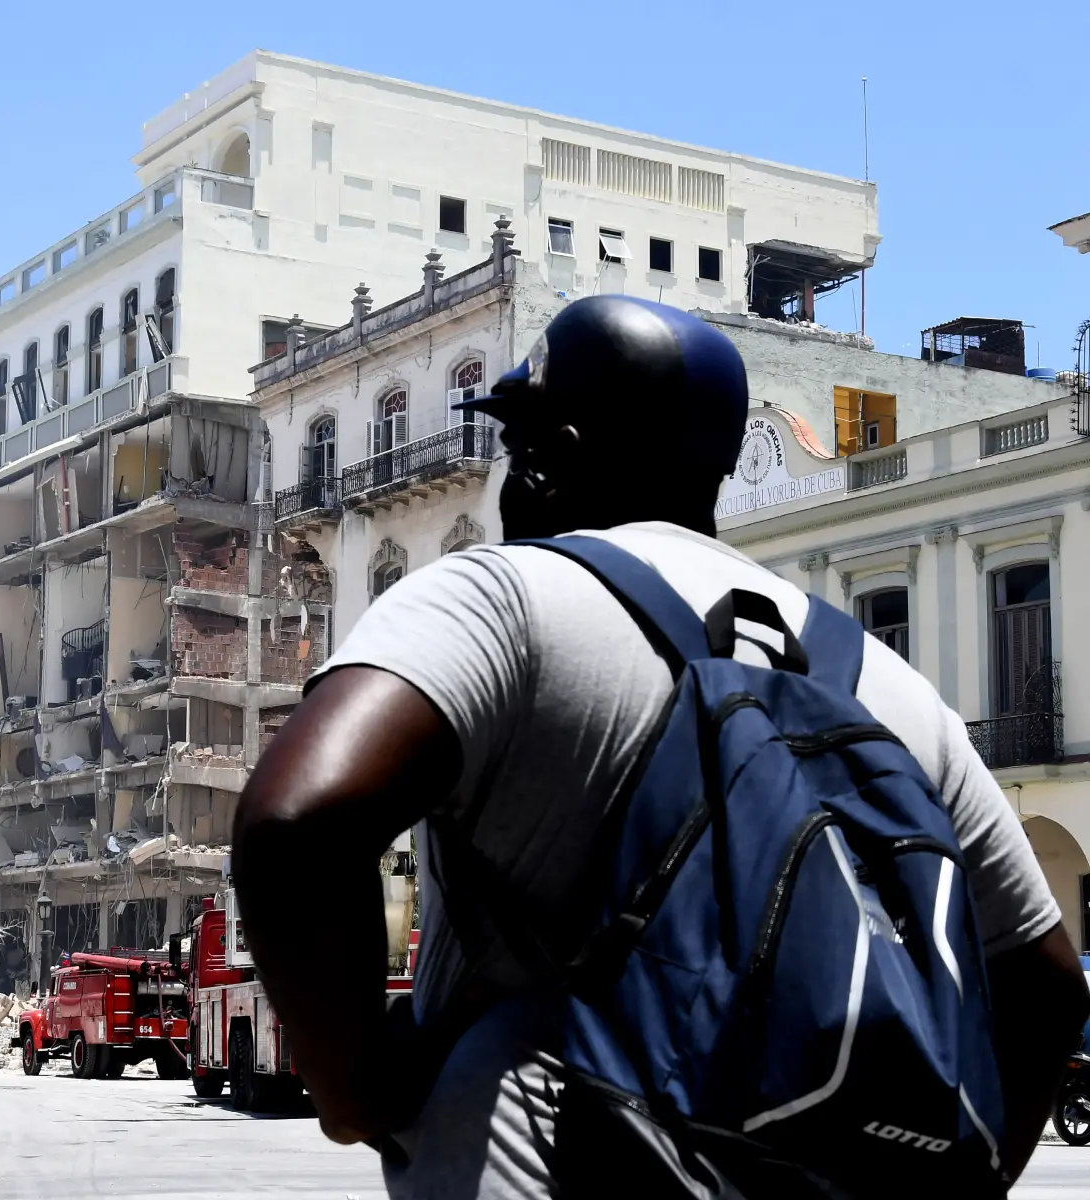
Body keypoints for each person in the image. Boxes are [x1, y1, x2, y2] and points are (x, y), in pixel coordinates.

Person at [232, 296, 1089, 1197]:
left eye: (516, 453)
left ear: (549, 457)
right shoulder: (888, 686)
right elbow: (1048, 986)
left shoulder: (500, 600)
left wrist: (358, 1092)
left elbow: (297, 819)